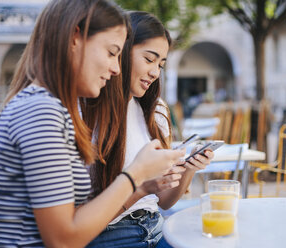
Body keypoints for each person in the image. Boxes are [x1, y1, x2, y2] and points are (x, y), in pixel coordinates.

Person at [0, 1, 184, 247]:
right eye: (112, 53)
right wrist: (135, 175)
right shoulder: (41, 112)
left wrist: (142, 187)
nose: (115, 68)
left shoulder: (45, 107)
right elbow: (63, 239)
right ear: (75, 38)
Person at [87, 11, 214, 248]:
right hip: (110, 237)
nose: (155, 73)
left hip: (158, 227)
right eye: (149, 59)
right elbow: (82, 222)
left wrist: (188, 169)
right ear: (121, 52)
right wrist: (141, 185)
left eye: (161, 65)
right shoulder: (88, 109)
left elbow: (164, 202)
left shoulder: (155, 112)